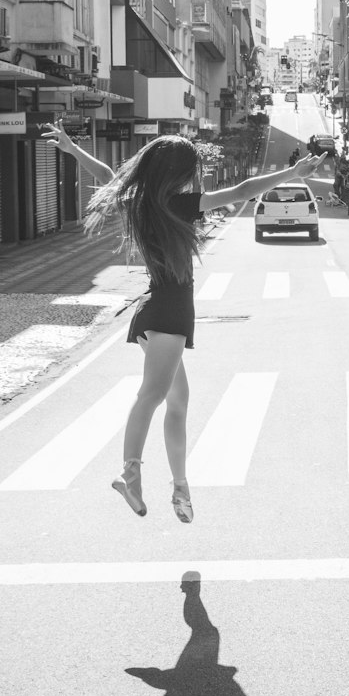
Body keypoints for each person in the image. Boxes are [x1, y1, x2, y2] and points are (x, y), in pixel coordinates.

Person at [41, 122, 325, 522]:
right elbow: (243, 191)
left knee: (177, 401)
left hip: (155, 309)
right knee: (153, 396)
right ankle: (131, 473)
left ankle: (180, 488)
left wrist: (74, 151)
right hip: (170, 312)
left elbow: (107, 177)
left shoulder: (138, 200)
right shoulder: (182, 204)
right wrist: (293, 174)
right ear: (178, 172)